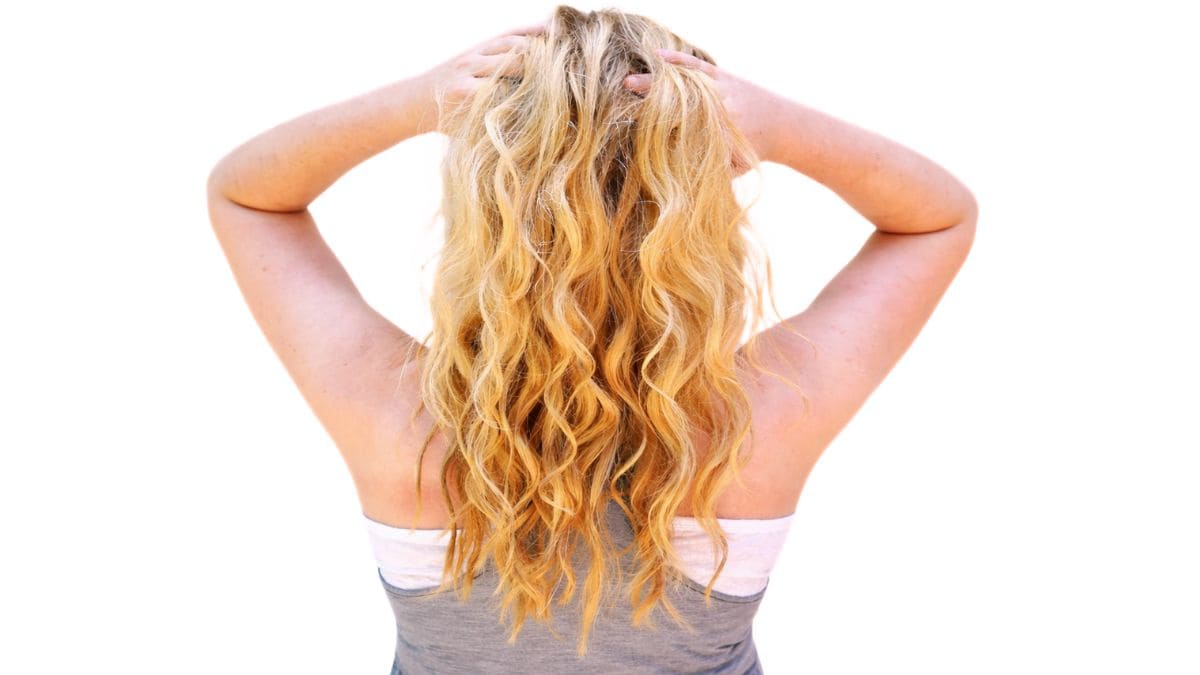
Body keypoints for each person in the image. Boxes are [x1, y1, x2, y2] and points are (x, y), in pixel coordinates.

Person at [206, 5, 977, 673]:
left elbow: (247, 197)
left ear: (489, 195)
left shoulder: (400, 419)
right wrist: (784, 128)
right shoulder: (755, 424)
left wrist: (411, 104)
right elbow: (937, 217)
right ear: (702, 200)